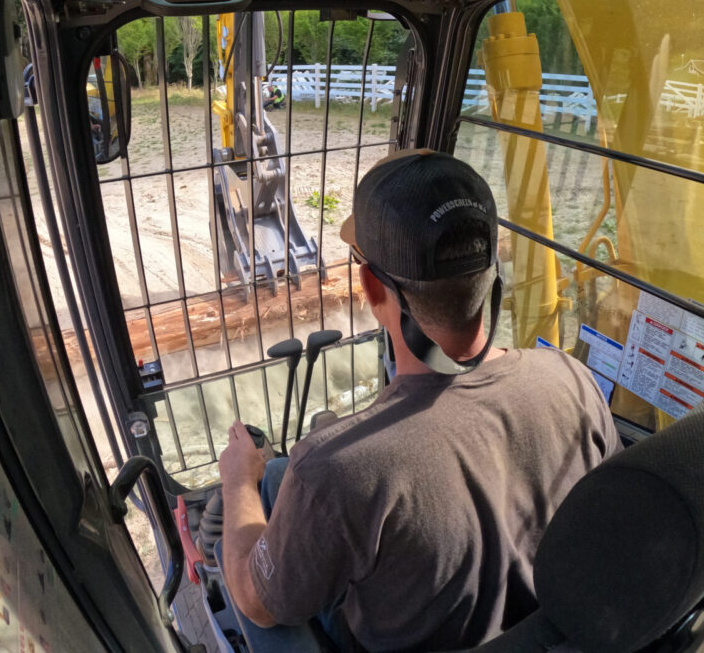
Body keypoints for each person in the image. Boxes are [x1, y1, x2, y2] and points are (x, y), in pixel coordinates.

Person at [218, 149, 620, 651]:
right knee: (280, 478)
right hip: (538, 630)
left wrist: (237, 480)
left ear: (369, 286)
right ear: (491, 273)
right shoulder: (573, 380)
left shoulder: (337, 470)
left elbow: (255, 600)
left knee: (250, 527)